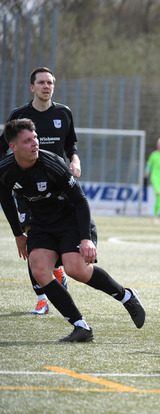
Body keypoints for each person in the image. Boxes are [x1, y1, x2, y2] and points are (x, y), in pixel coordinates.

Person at [0, 118, 145, 342]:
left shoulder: (52, 163)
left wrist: (86, 239)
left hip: (71, 221)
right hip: (42, 225)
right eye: (27, 140)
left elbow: (80, 201)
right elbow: (6, 200)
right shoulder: (5, 170)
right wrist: (18, 234)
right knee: (39, 269)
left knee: (75, 269)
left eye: (35, 138)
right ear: (13, 146)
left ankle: (126, 296)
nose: (35, 143)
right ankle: (81, 327)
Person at [0, 66, 84, 315]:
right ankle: (42, 299)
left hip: (58, 188)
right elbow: (4, 147)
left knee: (56, 236)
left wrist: (75, 159)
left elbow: (71, 143)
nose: (46, 86)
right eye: (41, 82)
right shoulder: (19, 116)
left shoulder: (63, 113)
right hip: (27, 189)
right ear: (32, 87)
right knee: (32, 239)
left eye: (50, 82)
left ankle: (56, 271)